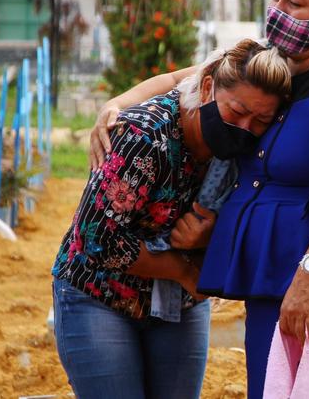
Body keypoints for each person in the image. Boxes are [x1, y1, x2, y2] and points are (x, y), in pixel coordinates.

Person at [88, 0, 309, 397]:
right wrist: (116, 105)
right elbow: (183, 78)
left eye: (294, 3)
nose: (278, 12)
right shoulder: (280, 70)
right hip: (274, 282)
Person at [52, 39, 291, 398]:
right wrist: (181, 268)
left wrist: (209, 236)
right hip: (99, 294)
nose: (244, 127)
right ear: (208, 87)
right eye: (237, 111)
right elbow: (96, 238)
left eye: (259, 121)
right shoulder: (143, 135)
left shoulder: (248, 149)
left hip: (180, 303)